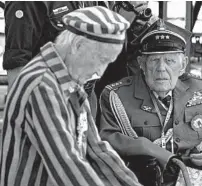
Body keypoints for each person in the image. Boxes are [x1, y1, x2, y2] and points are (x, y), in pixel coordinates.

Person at [0, 6, 142, 186]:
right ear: (77, 46)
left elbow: (97, 150)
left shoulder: (70, 80)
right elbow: (67, 166)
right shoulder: (42, 85)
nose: (99, 71)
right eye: (101, 59)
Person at [99, 19, 202, 186]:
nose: (161, 68)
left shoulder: (199, 88)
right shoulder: (116, 95)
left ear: (183, 65)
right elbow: (107, 140)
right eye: (154, 61)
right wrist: (149, 149)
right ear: (142, 64)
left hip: (191, 173)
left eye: (170, 61)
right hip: (139, 177)